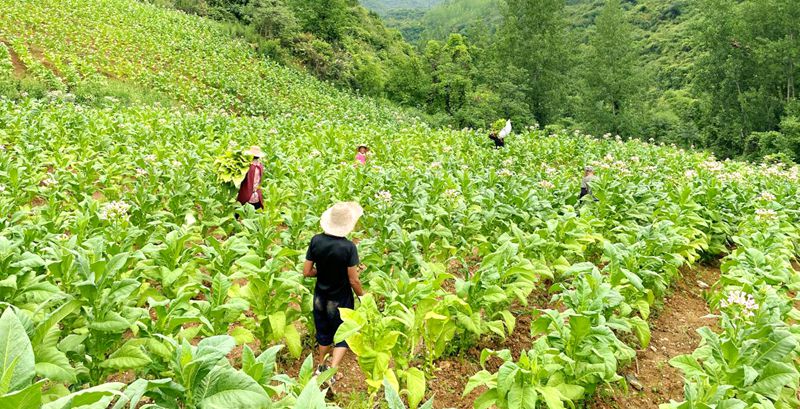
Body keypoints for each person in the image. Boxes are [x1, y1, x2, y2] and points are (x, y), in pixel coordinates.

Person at [303, 202, 365, 383]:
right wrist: (362, 296)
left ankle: (321, 367)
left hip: (320, 298)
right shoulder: (348, 247)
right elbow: (353, 279)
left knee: (323, 332)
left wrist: (321, 273)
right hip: (341, 300)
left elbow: (307, 271)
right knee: (343, 333)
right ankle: (332, 372)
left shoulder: (316, 241)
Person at [236, 146, 265, 211]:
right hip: (257, 194)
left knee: (240, 210)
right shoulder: (260, 166)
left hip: (246, 194)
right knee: (255, 213)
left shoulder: (247, 166)